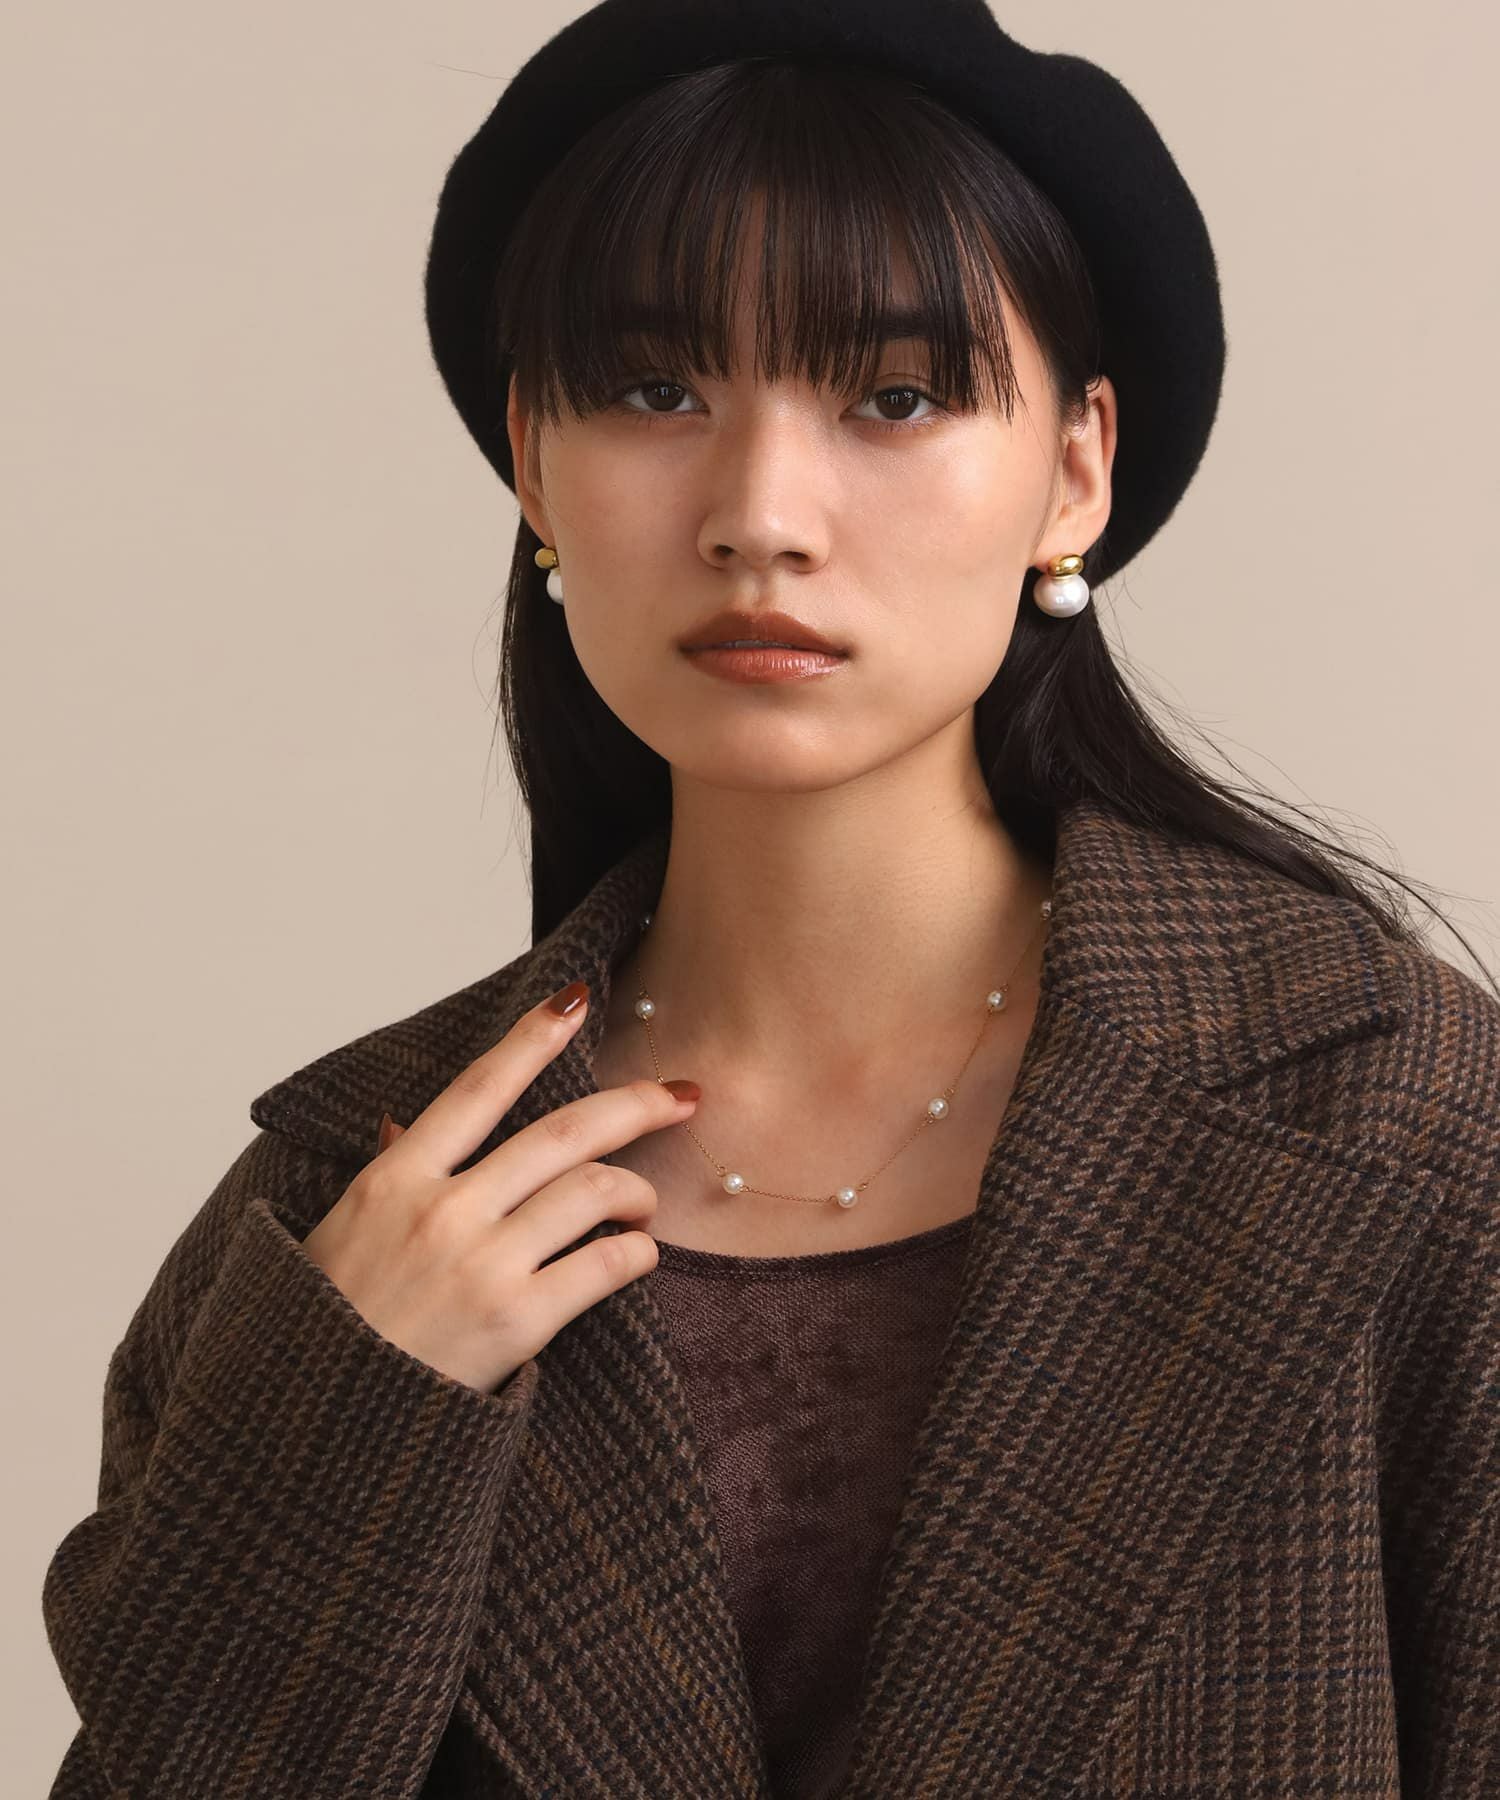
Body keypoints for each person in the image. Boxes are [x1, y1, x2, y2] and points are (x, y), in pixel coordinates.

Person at [42, 2, 1499, 1796]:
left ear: (1075, 470)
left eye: (895, 397)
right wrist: (352, 1434)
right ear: (534, 463)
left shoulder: (1392, 1120)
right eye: (656, 393)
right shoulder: (343, 1221)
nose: (759, 514)